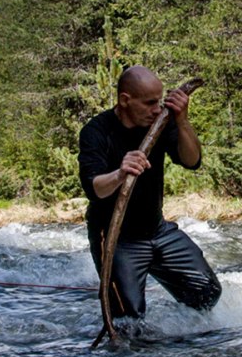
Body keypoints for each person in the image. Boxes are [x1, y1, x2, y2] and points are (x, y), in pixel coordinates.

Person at [78, 65, 221, 319]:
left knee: (207, 293)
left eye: (160, 100)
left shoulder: (161, 122)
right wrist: (120, 173)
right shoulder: (96, 131)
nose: (157, 109)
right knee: (128, 320)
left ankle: (183, 340)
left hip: (158, 230)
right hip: (115, 238)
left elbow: (191, 160)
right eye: (150, 103)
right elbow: (95, 188)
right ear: (125, 100)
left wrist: (182, 121)